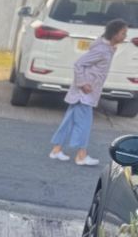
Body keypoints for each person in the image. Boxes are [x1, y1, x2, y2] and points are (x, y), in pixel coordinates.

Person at [49, 17, 128, 166]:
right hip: (84, 94)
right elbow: (79, 64)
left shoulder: (107, 48)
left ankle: (56, 149)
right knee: (84, 124)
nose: (125, 36)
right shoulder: (101, 50)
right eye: (123, 33)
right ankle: (81, 155)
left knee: (70, 121)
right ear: (114, 33)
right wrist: (82, 83)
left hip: (86, 93)